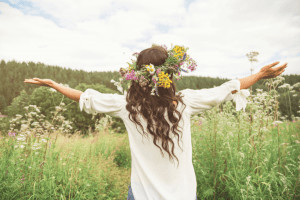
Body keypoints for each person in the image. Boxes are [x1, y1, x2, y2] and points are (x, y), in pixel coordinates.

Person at [24, 45, 287, 200]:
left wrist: (54, 85)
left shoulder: (126, 106)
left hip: (141, 194)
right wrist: (261, 74)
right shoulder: (186, 102)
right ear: (171, 74)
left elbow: (85, 97)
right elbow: (229, 87)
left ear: (138, 75)